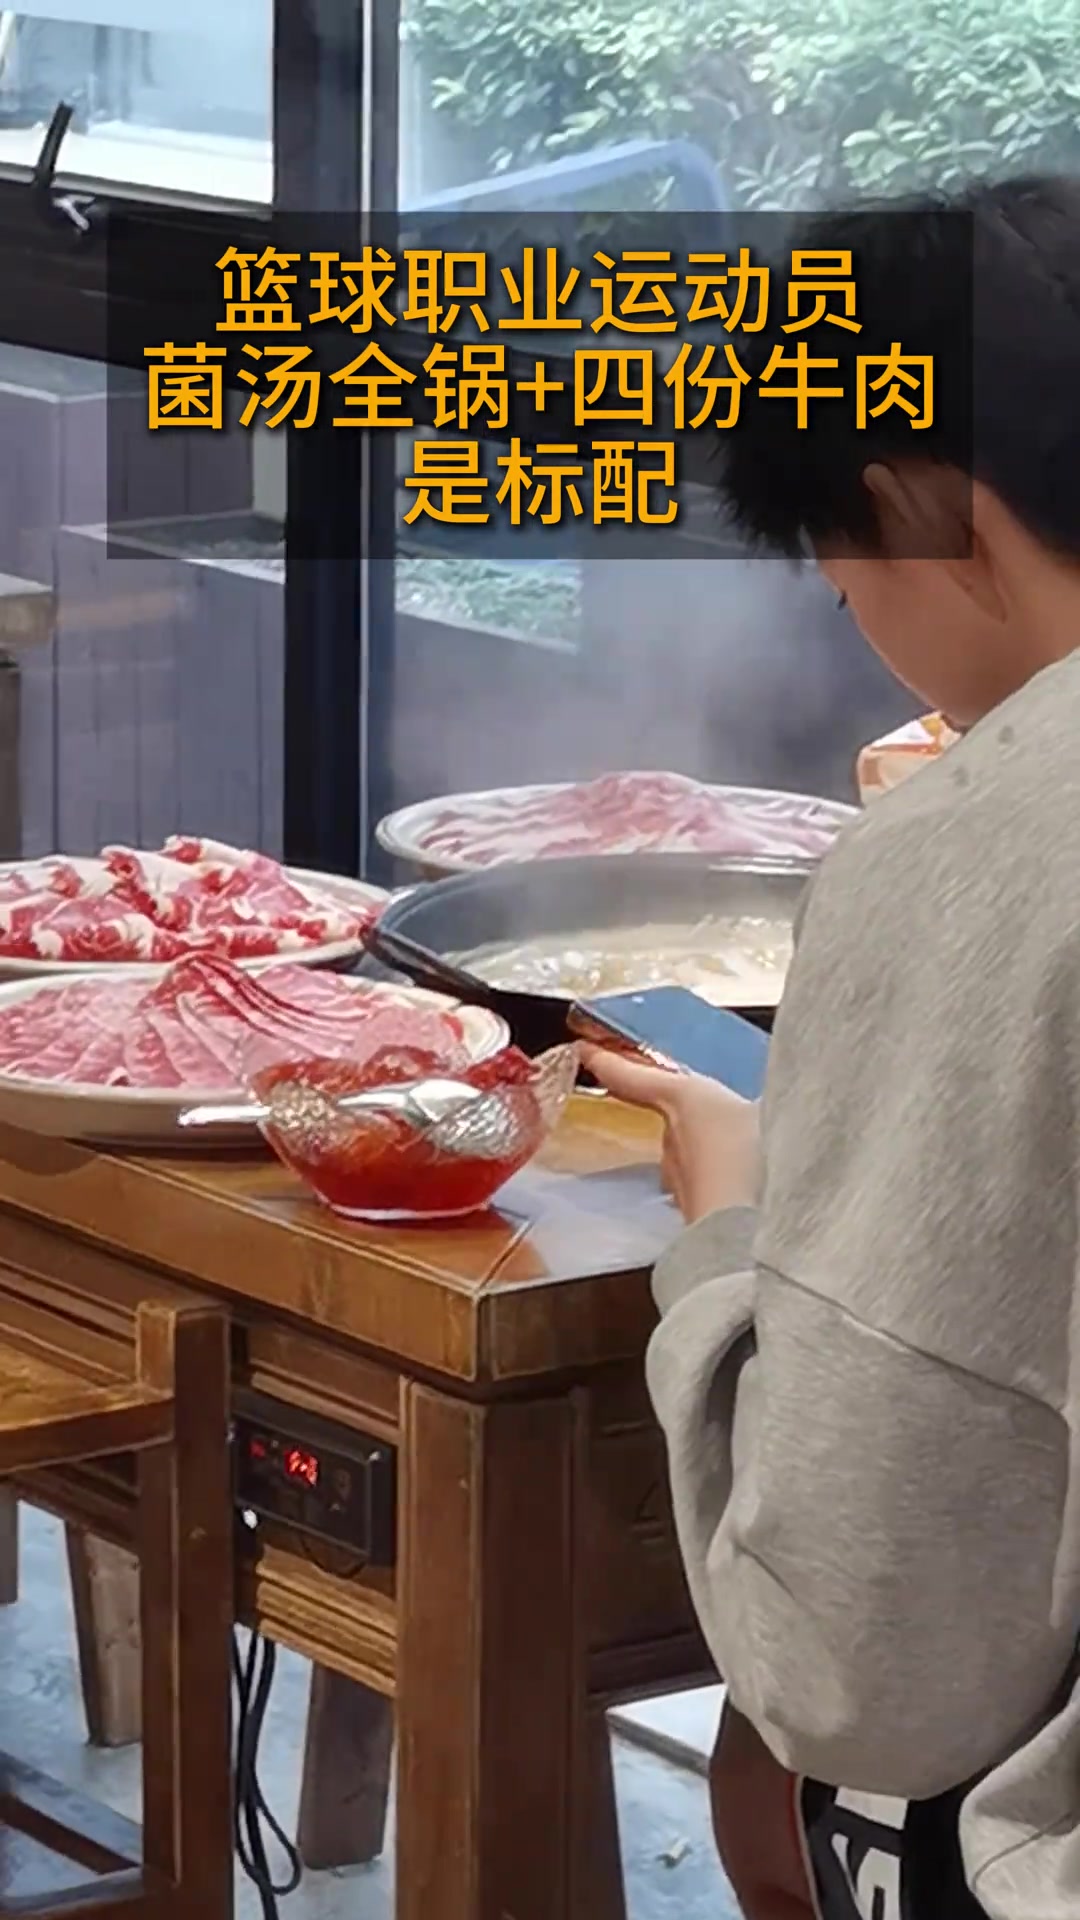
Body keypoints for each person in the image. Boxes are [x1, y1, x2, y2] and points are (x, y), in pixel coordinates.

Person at [582, 173, 1080, 1920]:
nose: (857, 619)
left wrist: (731, 1238)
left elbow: (862, 1653)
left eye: (834, 569)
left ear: (921, 501)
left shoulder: (983, 846)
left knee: (783, 1767)